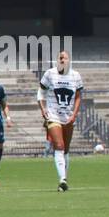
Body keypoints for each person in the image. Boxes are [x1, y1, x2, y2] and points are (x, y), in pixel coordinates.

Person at [37, 49, 84, 191]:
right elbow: (40, 91)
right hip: (53, 115)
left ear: (69, 60)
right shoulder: (50, 74)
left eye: (65, 58)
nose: (62, 60)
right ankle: (62, 179)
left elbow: (78, 97)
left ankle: (64, 179)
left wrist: (74, 114)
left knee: (66, 149)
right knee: (59, 145)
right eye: (60, 58)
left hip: (68, 116)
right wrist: (43, 108)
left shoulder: (75, 76)